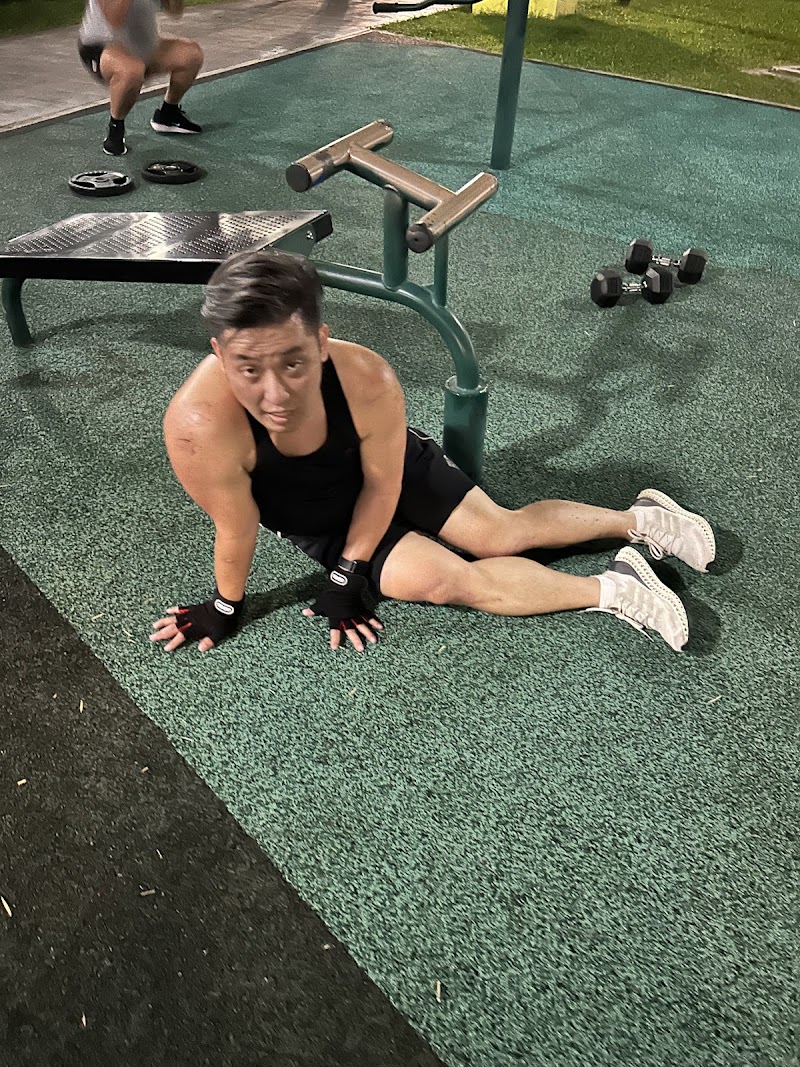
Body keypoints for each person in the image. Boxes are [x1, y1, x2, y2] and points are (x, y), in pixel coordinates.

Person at [151, 250, 716, 656]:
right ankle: (617, 587)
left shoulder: (365, 377)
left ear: (321, 342)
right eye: (249, 369)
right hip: (317, 520)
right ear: (219, 352)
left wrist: (349, 573)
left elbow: (381, 483)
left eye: (293, 363)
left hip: (392, 472)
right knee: (449, 581)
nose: (274, 394)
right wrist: (226, 607)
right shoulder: (198, 425)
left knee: (500, 534)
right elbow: (236, 525)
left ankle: (640, 519)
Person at [78, 0, 203, 157]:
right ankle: (115, 130)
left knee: (191, 54)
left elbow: (175, 12)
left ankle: (168, 114)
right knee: (132, 70)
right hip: (102, 47)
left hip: (142, 48)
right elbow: (114, 19)